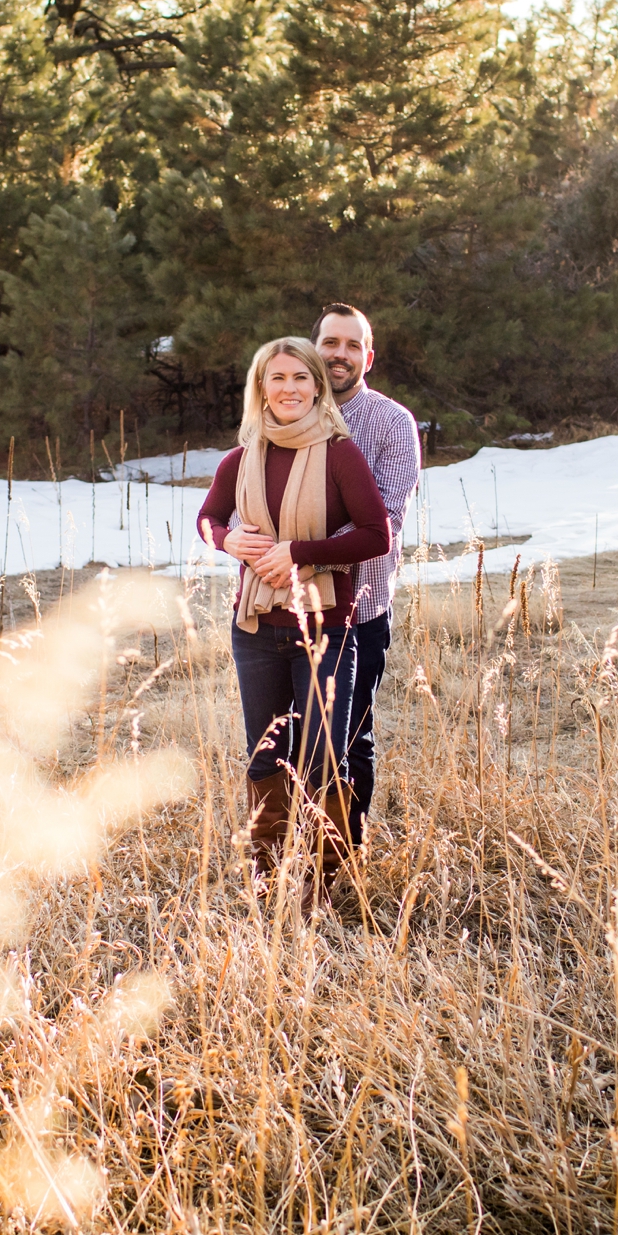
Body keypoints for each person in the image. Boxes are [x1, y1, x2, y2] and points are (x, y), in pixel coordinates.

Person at [196, 337, 389, 911]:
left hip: (327, 625)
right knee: (266, 755)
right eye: (276, 378)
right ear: (261, 388)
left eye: (300, 378)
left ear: (316, 386)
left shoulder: (340, 454)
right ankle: (266, 879)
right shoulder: (240, 458)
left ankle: (321, 890)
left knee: (323, 756)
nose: (288, 389)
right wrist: (230, 539)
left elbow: (376, 535)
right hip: (256, 628)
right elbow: (207, 519)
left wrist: (300, 553)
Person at [313, 303, 421, 851]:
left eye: (352, 345)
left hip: (360, 611)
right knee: (289, 734)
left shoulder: (392, 423)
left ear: (368, 357)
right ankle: (287, 858)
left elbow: (386, 523)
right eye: (331, 342)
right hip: (287, 609)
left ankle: (342, 854)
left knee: (349, 737)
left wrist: (299, 548)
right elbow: (243, 501)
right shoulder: (284, 412)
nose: (340, 354)